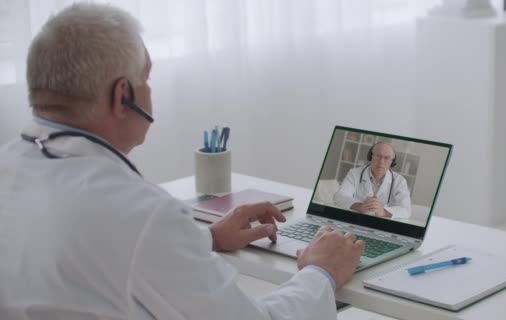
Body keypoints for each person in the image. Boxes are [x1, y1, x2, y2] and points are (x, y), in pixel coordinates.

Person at [0, 4, 364, 320]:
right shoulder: (140, 213)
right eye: (147, 78)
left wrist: (205, 238)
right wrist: (321, 272)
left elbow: (102, 258)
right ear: (122, 95)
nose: (150, 89)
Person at [333, 142, 412, 220]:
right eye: (378, 156)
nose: (381, 161)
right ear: (370, 157)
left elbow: (406, 210)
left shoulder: (400, 181)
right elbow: (339, 197)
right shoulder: (354, 173)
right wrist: (360, 206)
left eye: (387, 158)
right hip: (356, 220)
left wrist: (383, 212)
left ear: (392, 162)